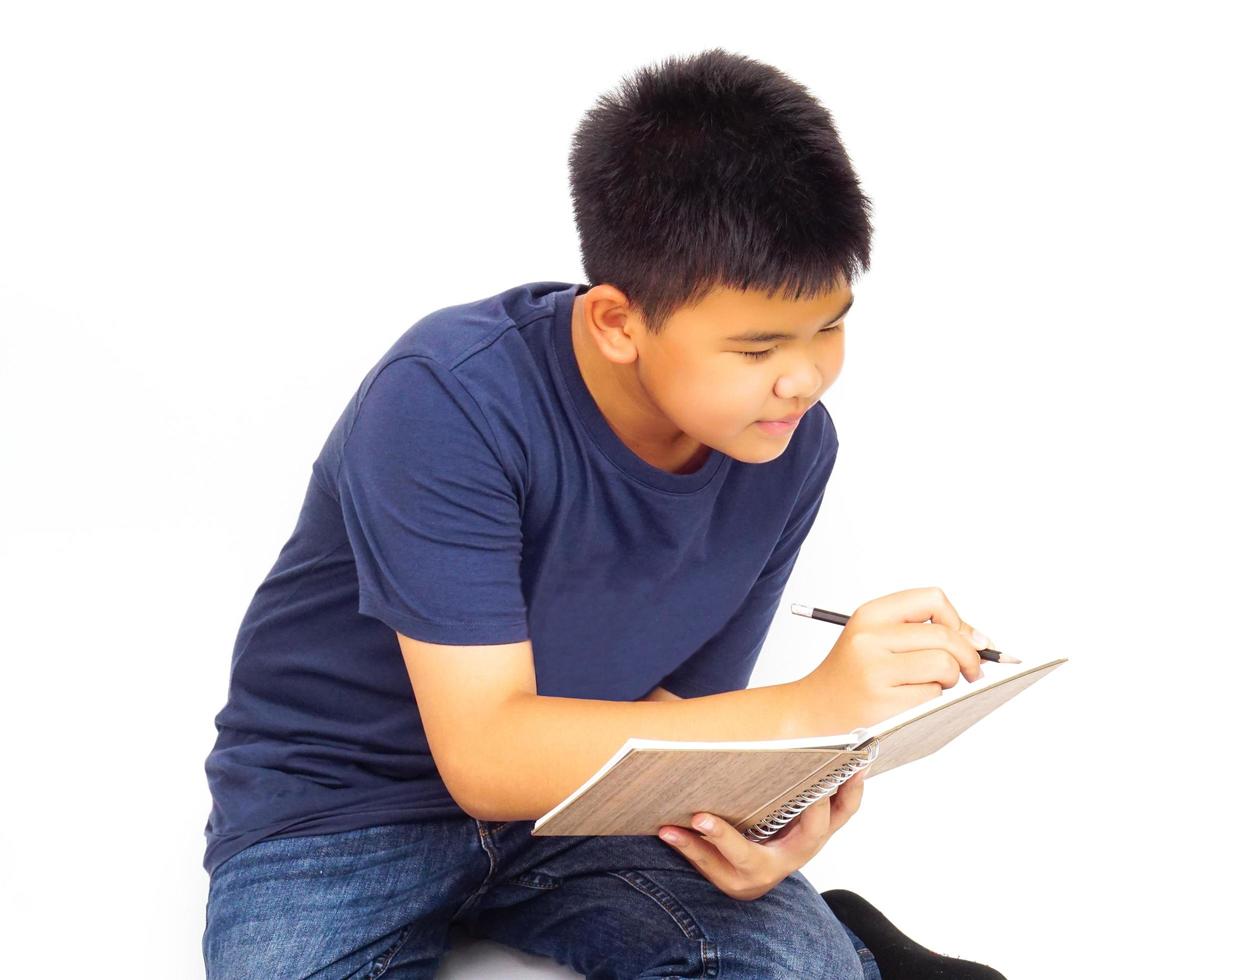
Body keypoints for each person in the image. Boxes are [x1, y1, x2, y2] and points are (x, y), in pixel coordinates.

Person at [201, 47, 1007, 979]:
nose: (804, 376)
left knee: (794, 967)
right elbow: (487, 755)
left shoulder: (785, 442)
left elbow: (683, 720)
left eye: (829, 324)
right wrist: (811, 707)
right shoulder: (448, 398)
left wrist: (772, 826)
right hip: (341, 810)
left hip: (591, 808)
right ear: (618, 322)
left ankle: (843, 944)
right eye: (757, 346)